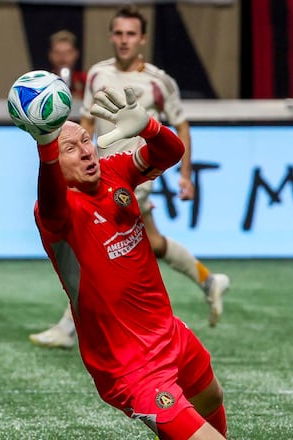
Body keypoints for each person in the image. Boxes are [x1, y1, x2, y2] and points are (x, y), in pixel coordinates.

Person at [24, 85, 228, 439]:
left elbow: (171, 152)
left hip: (170, 334)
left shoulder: (113, 172)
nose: (87, 152)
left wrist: (148, 126)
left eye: (86, 140)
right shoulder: (56, 214)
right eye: (70, 149)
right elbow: (52, 195)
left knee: (212, 398)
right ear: (55, 164)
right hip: (130, 366)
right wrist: (45, 144)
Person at [29, 5, 230, 349]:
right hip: (98, 174)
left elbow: (181, 126)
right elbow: (87, 121)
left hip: (133, 176)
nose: (124, 41)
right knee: (149, 243)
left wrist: (185, 175)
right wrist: (78, 153)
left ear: (143, 39)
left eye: (131, 34)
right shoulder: (97, 74)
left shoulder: (159, 81)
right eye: (118, 33)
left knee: (96, 246)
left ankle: (68, 327)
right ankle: (208, 280)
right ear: (111, 36)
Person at [48, 30, 87, 99]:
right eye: (57, 53)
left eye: (67, 52)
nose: (62, 57)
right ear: (50, 55)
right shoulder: (44, 82)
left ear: (76, 53)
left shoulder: (86, 80)